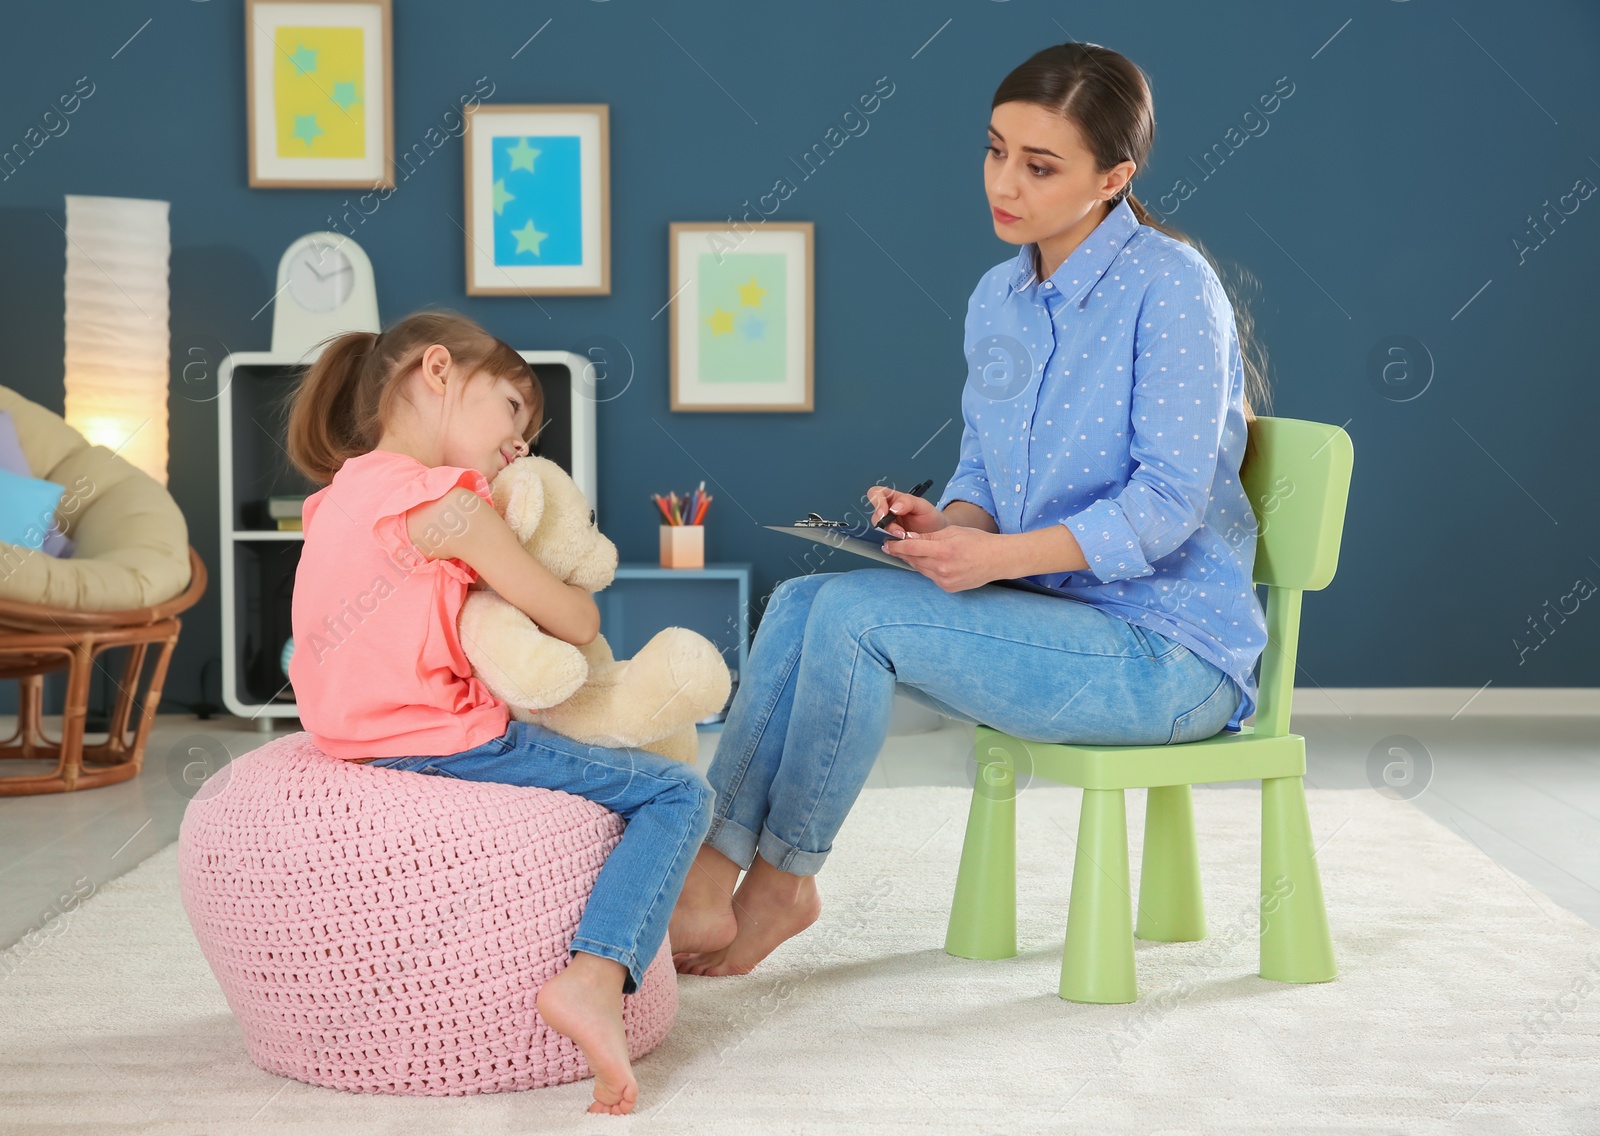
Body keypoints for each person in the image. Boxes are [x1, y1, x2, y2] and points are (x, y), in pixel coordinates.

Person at [668, 41, 1273, 978]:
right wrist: (952, 525)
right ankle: (711, 870)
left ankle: (781, 882)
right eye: (995, 150)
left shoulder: (1172, 286)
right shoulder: (999, 295)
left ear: (1115, 177)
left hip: (1168, 653)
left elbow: (1165, 505)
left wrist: (999, 561)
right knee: (799, 604)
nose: (1005, 182)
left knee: (859, 622)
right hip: (1058, 620)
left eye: (1040, 166)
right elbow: (985, 469)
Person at [284, 309, 713, 1116]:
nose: (522, 447)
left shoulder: (334, 497)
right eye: (515, 411)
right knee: (677, 791)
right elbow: (574, 621)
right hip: (439, 738)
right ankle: (595, 975)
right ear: (438, 371)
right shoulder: (451, 502)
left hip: (344, 735)